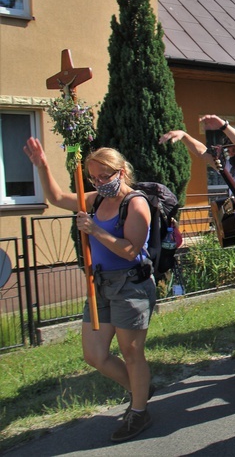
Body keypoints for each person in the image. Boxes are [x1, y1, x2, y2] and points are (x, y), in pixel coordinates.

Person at [24, 140, 156, 442]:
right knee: (95, 355)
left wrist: (95, 230)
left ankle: (139, 412)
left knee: (131, 353)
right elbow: (57, 197)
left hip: (130, 284)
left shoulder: (136, 204)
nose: (98, 182)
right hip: (100, 284)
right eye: (93, 177)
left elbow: (130, 249)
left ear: (121, 172)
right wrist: (43, 165)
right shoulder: (94, 200)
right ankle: (141, 391)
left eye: (103, 176)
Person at [159, 123, 235, 375]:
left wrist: (224, 127)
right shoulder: (231, 168)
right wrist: (185, 136)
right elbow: (204, 153)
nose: (231, 151)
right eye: (230, 148)